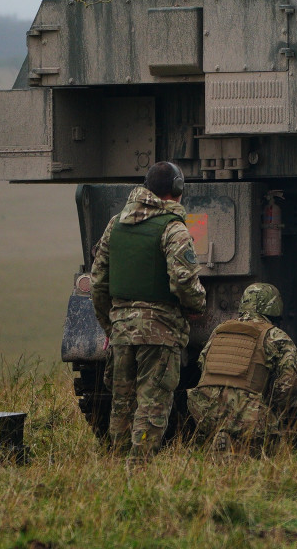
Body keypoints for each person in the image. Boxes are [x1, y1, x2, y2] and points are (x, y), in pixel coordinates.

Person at [89, 160, 207, 456]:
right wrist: (196, 306)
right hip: (160, 332)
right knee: (152, 407)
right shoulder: (174, 228)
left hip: (121, 331)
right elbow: (184, 280)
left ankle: (118, 464)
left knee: (121, 405)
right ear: (177, 188)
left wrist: (111, 326)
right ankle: (139, 467)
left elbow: (98, 283)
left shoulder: (115, 225)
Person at [185, 282, 297, 451]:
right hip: (248, 413)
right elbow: (291, 380)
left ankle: (220, 440)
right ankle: (237, 446)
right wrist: (272, 406)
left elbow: (202, 363)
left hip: (203, 408)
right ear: (274, 306)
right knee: (273, 448)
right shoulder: (275, 335)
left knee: (227, 427)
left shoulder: (219, 330)